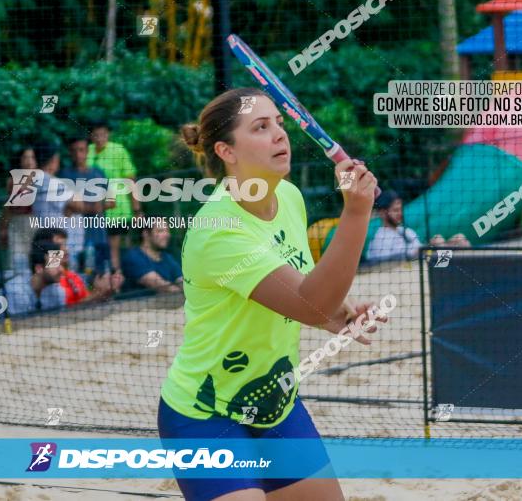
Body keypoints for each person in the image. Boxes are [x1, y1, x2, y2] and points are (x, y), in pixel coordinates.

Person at [158, 88, 387, 500]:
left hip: (274, 402)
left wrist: (339, 315)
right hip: (205, 415)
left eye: (279, 124)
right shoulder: (218, 231)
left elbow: (303, 296)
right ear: (226, 151)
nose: (280, 135)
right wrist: (355, 212)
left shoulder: (289, 197)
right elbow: (309, 303)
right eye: (261, 127)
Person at [87, 121, 140, 271]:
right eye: (96, 135)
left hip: (117, 210)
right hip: (94, 210)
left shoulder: (118, 150)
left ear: (108, 134)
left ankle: (118, 280)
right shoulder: (87, 152)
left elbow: (131, 180)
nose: (100, 138)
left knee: (114, 248)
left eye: (103, 134)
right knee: (99, 249)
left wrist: (137, 210)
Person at [365, 190, 469, 264]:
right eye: (396, 210)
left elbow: (420, 247)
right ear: (383, 213)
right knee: (438, 241)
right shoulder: (381, 237)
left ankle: (464, 273)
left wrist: (427, 247)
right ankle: (446, 269)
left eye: (400, 209)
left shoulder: (406, 231)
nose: (400, 213)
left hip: (426, 260)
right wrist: (418, 252)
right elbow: (379, 261)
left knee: (459, 239)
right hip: (413, 268)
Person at [58, 134, 112, 274]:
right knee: (81, 276)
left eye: (81, 150)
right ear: (70, 152)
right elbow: (67, 207)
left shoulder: (98, 172)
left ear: (87, 151)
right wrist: (91, 207)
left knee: (102, 275)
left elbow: (111, 201)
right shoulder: (64, 175)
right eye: (74, 150)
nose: (78, 154)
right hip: (77, 238)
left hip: (100, 235)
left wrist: (99, 206)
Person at [32, 227, 122, 306]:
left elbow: (88, 300)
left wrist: (105, 291)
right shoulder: (51, 280)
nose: (65, 249)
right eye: (58, 245)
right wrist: (97, 294)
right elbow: (64, 313)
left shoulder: (72, 276)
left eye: (65, 244)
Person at [2, 241, 68, 316]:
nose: (61, 270)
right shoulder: (16, 291)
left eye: (62, 264)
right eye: (55, 264)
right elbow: (17, 326)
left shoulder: (57, 292)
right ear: (39, 268)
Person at [0, 146, 37, 273]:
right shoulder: (12, 180)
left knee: (34, 258)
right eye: (25, 157)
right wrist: (3, 228)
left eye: (32, 157)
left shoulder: (42, 178)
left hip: (35, 222)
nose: (29, 161)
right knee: (15, 259)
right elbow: (7, 207)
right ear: (20, 160)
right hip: (16, 224)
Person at [121, 220, 182, 294]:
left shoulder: (167, 257)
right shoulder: (133, 257)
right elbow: (162, 286)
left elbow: (181, 280)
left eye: (167, 231)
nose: (167, 235)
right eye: (160, 231)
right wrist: (188, 295)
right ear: (146, 234)